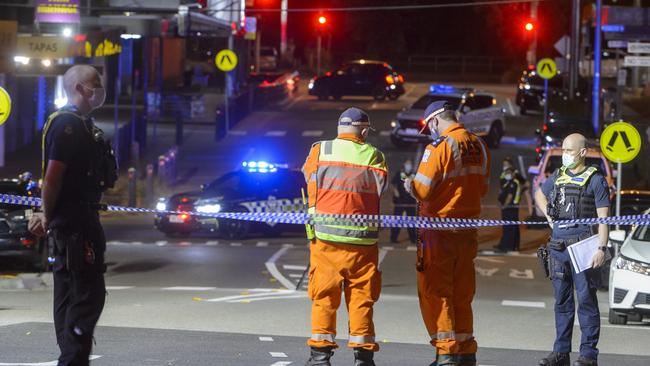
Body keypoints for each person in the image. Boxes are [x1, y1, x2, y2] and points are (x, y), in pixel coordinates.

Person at [29, 64, 117, 366]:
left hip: (77, 223)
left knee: (73, 296)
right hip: (76, 226)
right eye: (95, 82)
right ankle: (72, 360)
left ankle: (72, 358)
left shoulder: (80, 123)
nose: (100, 87)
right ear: (80, 88)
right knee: (86, 297)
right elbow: (53, 177)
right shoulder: (67, 125)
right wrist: (46, 214)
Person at [404, 101, 490, 366]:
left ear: (434, 121)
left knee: (436, 292)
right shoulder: (479, 145)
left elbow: (423, 190)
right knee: (462, 293)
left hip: (439, 231)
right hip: (467, 230)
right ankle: (466, 351)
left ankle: (446, 353)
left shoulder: (439, 147)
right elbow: (483, 188)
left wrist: (409, 184)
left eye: (429, 127)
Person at [301, 107, 388, 366]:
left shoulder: (321, 150)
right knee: (362, 297)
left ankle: (320, 356)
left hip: (325, 237)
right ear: (363, 129)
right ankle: (363, 357)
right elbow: (379, 190)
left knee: (324, 296)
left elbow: (308, 176)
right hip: (363, 240)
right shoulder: (375, 156)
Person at [534, 133, 609, 366]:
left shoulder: (596, 179)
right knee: (562, 302)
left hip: (583, 246)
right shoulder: (559, 175)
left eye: (569, 150)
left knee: (586, 301)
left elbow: (604, 218)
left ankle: (588, 355)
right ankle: (561, 352)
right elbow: (539, 194)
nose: (565, 155)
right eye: (563, 150)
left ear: (583, 152)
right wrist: (549, 216)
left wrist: (601, 248)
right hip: (558, 247)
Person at [390, 159, 417, 244]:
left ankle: (413, 238)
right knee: (397, 221)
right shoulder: (400, 174)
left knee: (411, 221)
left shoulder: (414, 175)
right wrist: (395, 192)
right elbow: (392, 184)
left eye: (410, 164)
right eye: (407, 164)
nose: (409, 165)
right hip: (400, 202)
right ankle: (393, 238)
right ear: (404, 164)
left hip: (411, 202)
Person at [496, 167, 521, 252]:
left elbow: (509, 196)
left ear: (513, 174)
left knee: (510, 228)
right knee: (507, 227)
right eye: (506, 173)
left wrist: (504, 206)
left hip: (510, 208)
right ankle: (506, 245)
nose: (508, 175)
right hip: (507, 208)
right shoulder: (507, 182)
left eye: (509, 173)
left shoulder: (513, 183)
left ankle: (510, 246)